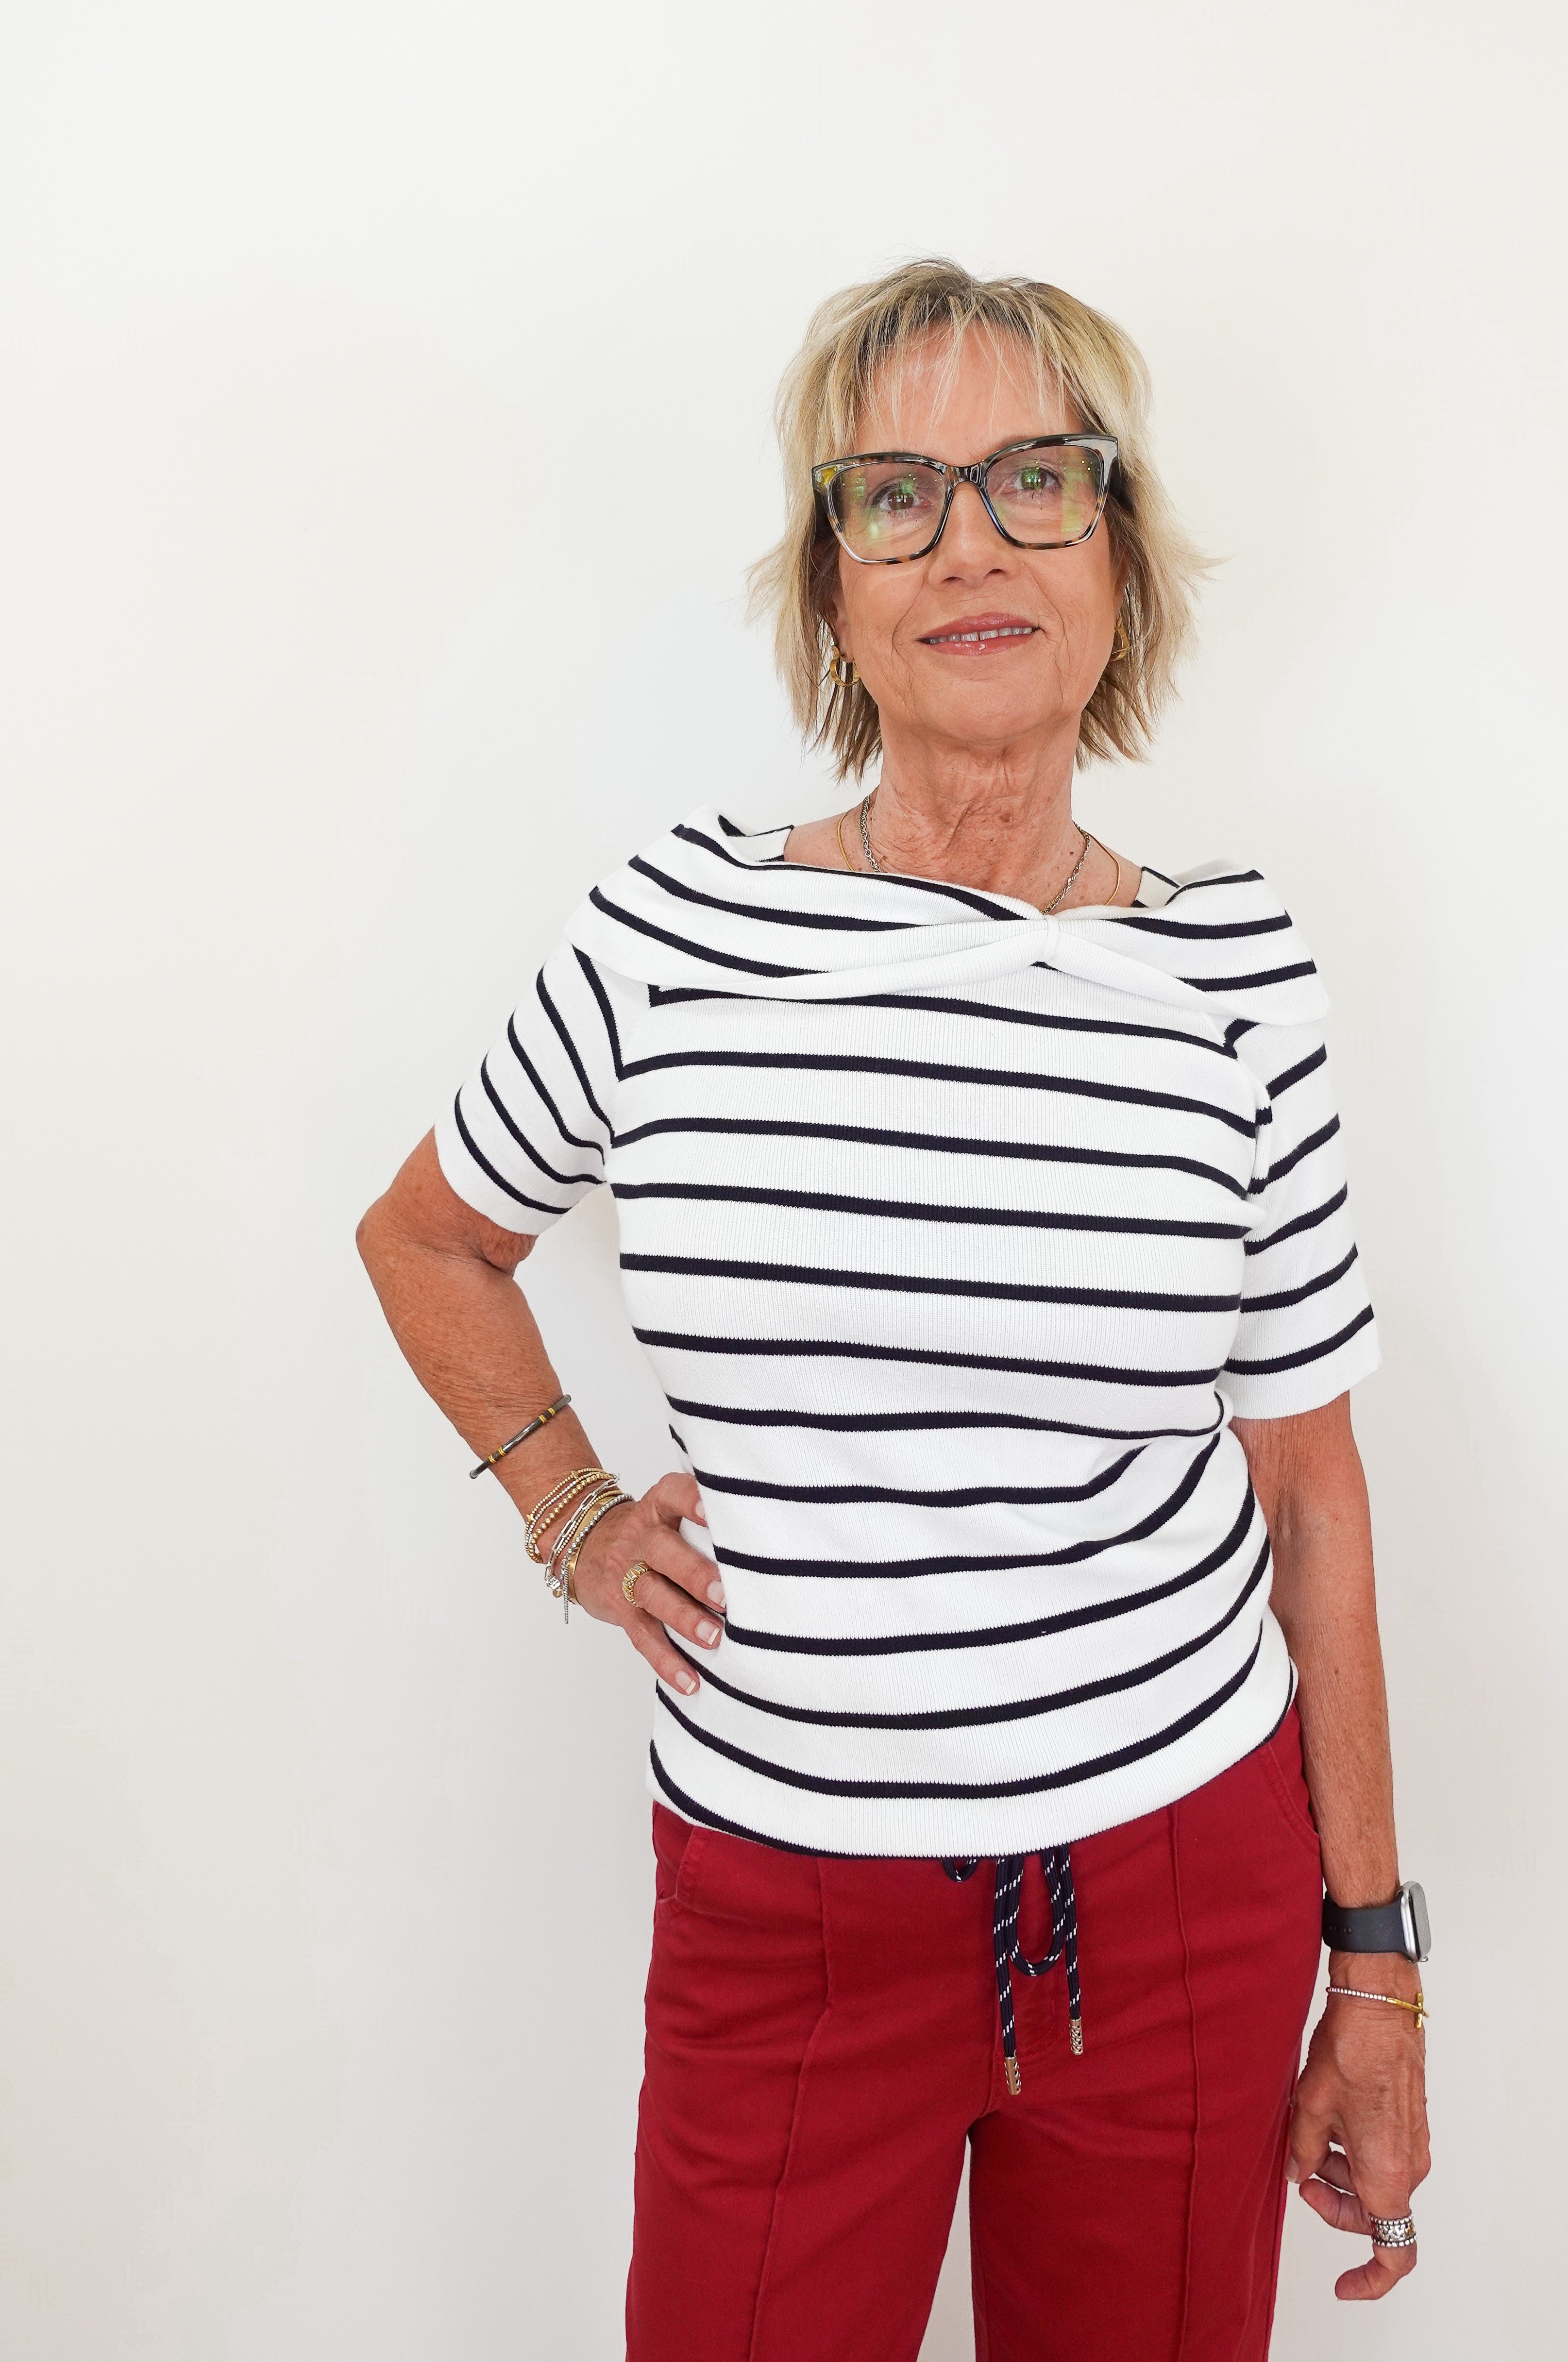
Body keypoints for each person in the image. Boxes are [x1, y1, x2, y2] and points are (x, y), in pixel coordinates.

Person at [356, 259, 1431, 2361]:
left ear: (1119, 557)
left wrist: (1375, 1968)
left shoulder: (1234, 971)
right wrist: (574, 1516)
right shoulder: (677, 935)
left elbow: (1312, 1488)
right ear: (831, 592)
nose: (970, 545)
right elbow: (429, 1236)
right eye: (894, 496)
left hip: (1182, 1890)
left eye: (1039, 478)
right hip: (787, 1909)